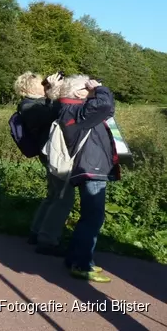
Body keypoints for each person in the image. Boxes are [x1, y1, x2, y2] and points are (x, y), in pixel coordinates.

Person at [56, 75, 119, 283]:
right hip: (91, 168)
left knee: (89, 217)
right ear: (76, 93)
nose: (90, 86)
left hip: (91, 166)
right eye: (86, 85)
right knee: (93, 218)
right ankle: (81, 265)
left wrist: (94, 93)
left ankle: (75, 258)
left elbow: (107, 109)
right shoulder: (74, 110)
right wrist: (100, 89)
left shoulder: (73, 108)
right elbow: (105, 105)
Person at [14, 71, 70, 257]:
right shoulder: (30, 106)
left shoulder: (33, 104)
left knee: (53, 194)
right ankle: (47, 241)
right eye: (42, 83)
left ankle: (36, 232)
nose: (45, 84)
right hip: (52, 154)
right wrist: (54, 93)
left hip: (48, 153)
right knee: (63, 197)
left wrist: (52, 93)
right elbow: (56, 115)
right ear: (30, 87)